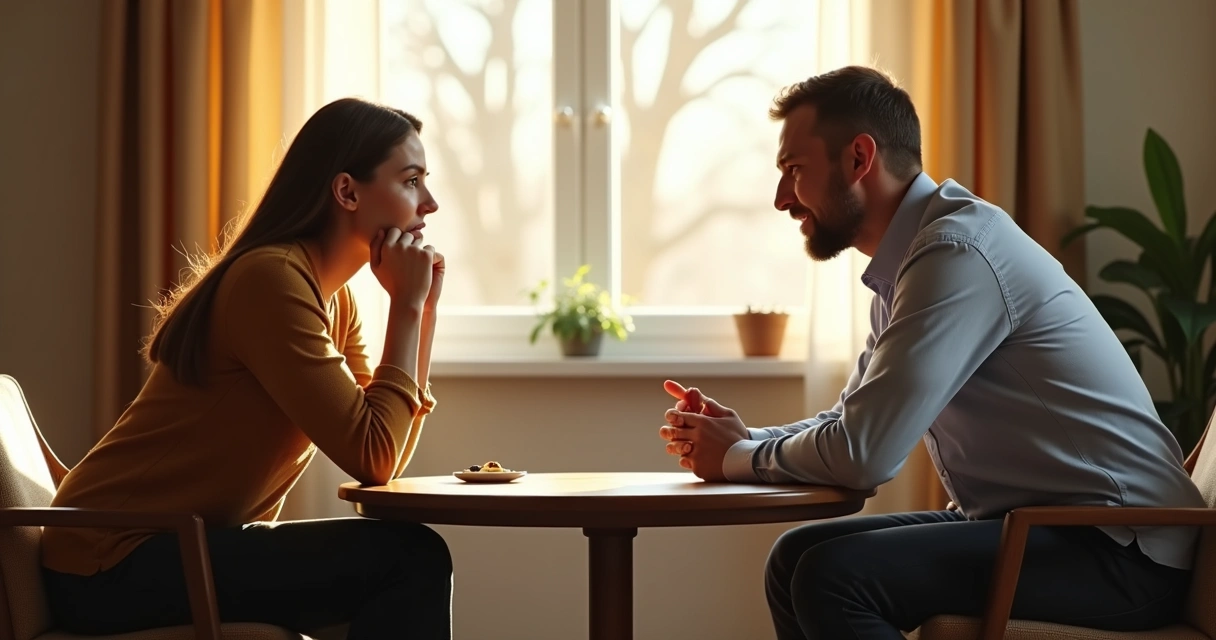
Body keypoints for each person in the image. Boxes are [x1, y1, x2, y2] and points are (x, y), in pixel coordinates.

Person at [657, 66, 1204, 639]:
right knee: (796, 556)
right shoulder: (908, 265)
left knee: (834, 576)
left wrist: (738, 457)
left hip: (1121, 549)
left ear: (859, 159)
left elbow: (863, 455)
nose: (781, 199)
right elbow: (850, 423)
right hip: (1040, 526)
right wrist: (750, 440)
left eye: (794, 170)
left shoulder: (954, 254)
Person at [41, 97, 452, 639]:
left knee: (404, 556)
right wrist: (405, 307)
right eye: (411, 180)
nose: (431, 203)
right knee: (407, 557)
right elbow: (372, 456)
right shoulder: (272, 281)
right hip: (111, 562)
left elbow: (384, 452)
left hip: (177, 547)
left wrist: (420, 316)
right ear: (347, 191)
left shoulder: (334, 299)